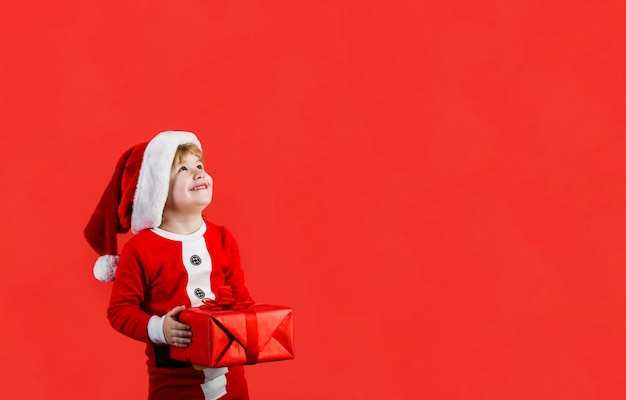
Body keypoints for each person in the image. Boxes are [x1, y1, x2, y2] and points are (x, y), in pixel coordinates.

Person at [84, 130, 252, 400]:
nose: (198, 173)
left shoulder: (223, 238)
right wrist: (159, 328)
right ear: (157, 189)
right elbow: (119, 311)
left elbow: (240, 298)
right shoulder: (140, 250)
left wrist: (253, 327)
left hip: (232, 382)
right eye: (183, 169)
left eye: (199, 165)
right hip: (174, 387)